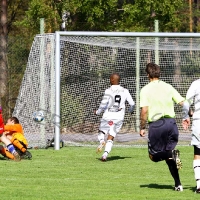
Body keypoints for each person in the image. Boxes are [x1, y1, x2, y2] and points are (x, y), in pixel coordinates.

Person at [139, 63, 188, 192]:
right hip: (171, 124)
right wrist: (191, 113)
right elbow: (182, 102)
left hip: (157, 125)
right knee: (169, 158)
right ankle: (178, 184)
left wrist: (142, 127)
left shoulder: (145, 89)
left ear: (148, 75)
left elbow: (144, 110)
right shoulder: (168, 87)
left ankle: (171, 153)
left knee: (153, 156)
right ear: (159, 74)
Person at [95, 73, 135, 161]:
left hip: (108, 116)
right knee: (111, 136)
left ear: (113, 80)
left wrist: (98, 112)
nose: (109, 80)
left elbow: (103, 104)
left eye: (110, 78)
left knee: (101, 132)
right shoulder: (125, 91)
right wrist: (130, 111)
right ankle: (105, 155)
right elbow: (132, 104)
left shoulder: (108, 91)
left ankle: (102, 142)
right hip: (118, 117)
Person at [182, 79, 200, 193]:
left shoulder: (196, 83)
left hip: (198, 121)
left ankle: (199, 185)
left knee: (198, 153)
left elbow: (186, 101)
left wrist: (186, 116)